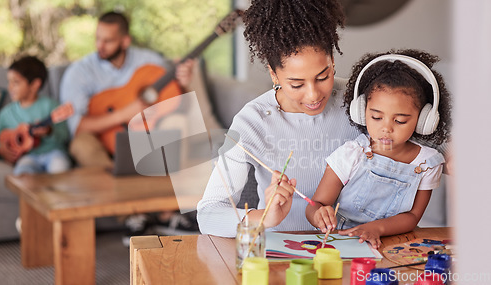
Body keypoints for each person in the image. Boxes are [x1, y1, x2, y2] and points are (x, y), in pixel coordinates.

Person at [197, 0, 364, 237]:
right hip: (282, 257)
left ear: (332, 62)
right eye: (296, 84)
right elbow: (208, 215)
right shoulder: (252, 122)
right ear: (273, 74)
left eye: (323, 76)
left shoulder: (360, 103)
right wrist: (264, 218)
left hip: (354, 248)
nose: (313, 95)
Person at [59, 11, 198, 244]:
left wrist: (183, 85)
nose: (100, 46)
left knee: (178, 125)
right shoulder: (79, 72)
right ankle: (133, 216)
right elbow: (79, 126)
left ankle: (167, 213)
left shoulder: (149, 62)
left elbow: (174, 103)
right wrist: (124, 114)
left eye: (108, 40)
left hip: (142, 133)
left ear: (125, 41)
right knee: (81, 145)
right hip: (99, 140)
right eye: (97, 38)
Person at [306, 49, 452, 249]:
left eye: (400, 120)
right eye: (376, 117)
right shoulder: (352, 153)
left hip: (393, 245)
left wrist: (377, 228)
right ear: (361, 111)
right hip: (340, 242)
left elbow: (412, 216)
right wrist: (318, 214)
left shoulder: (427, 162)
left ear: (423, 121)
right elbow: (316, 204)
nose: (386, 128)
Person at [0, 56, 71, 175]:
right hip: (28, 157)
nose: (10, 87)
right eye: (9, 82)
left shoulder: (50, 105)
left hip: (53, 153)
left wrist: (49, 131)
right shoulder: (7, 113)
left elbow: (65, 135)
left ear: (35, 85)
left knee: (59, 167)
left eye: (16, 82)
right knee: (22, 174)